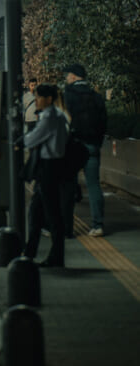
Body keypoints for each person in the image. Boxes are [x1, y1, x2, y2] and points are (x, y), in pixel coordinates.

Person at [22, 83, 68, 267]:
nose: (36, 101)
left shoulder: (50, 117)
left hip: (49, 168)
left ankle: (54, 257)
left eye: (39, 97)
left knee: (51, 215)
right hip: (49, 169)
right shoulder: (57, 115)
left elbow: (33, 138)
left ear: (48, 99)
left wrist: (20, 139)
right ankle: (30, 252)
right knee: (36, 212)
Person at [64, 63, 107, 237]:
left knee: (68, 185)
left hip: (73, 145)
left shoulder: (67, 95)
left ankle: (67, 228)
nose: (66, 78)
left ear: (74, 76)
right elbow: (104, 122)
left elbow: (63, 121)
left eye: (67, 75)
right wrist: (97, 142)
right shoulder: (96, 97)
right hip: (92, 145)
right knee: (94, 185)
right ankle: (97, 225)